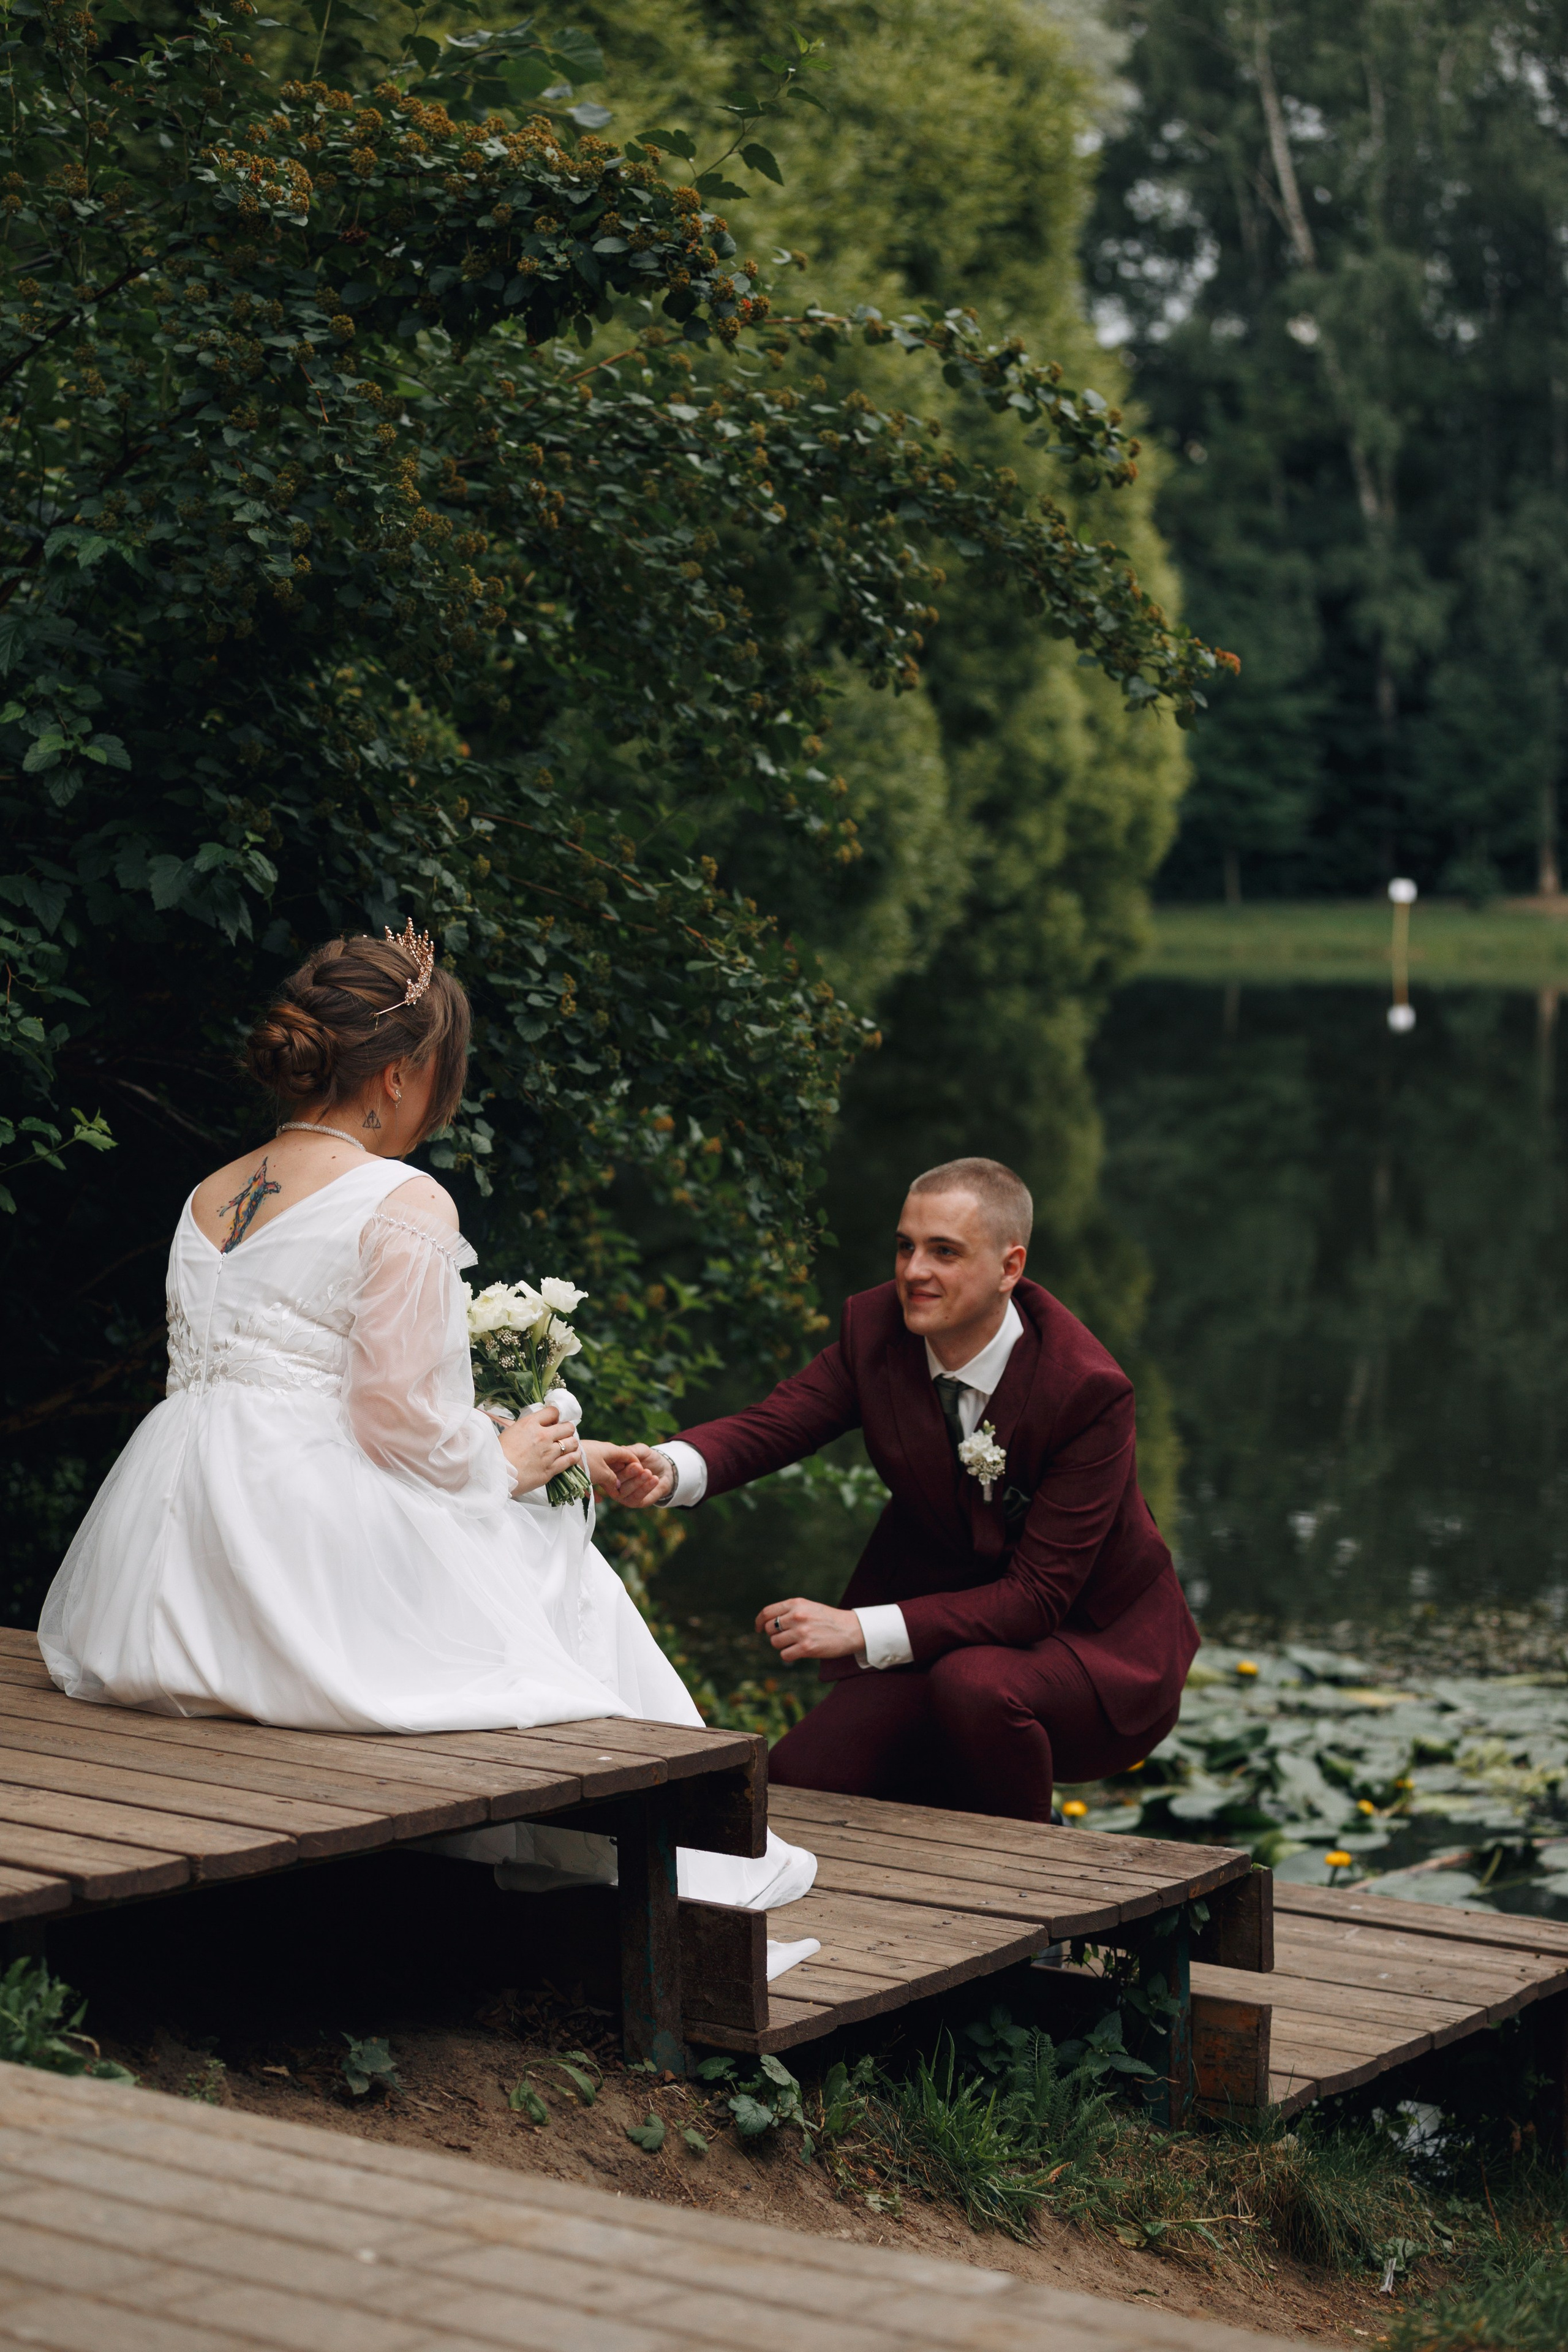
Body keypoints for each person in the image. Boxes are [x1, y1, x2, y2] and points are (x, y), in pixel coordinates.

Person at [39, 928, 814, 1928]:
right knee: (545, 1544)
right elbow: (393, 1417)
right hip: (291, 1528)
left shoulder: (209, 1196)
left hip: (170, 1533)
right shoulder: (401, 1199)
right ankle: (676, 1843)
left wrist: (524, 1443)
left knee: (514, 1511)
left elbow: (301, 1377)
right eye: (440, 1079)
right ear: (397, 1076)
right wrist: (504, 1464)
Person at [627, 1158, 1198, 1823]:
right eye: (905, 1246)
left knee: (976, 1689)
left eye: (944, 1252)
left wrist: (856, 1628)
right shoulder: (876, 1331)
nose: (912, 1272)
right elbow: (777, 1424)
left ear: (1009, 1268)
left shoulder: (1087, 1391)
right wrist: (668, 1468)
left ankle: (1033, 1898)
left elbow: (1038, 1598)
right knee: (800, 1782)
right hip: (949, 1630)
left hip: (1091, 1646)